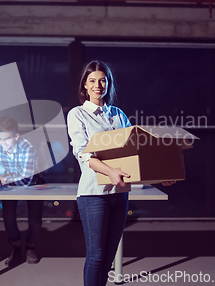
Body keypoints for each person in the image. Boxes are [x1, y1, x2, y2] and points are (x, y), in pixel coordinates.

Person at [67, 60, 175, 286]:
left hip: (119, 194)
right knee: (96, 256)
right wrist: (110, 171)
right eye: (93, 81)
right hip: (94, 195)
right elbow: (83, 155)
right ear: (85, 85)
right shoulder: (77, 115)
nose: (98, 85)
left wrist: (159, 174)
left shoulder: (117, 114)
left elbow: (134, 153)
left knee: (108, 258)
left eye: (103, 80)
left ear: (108, 84)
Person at [0, 117, 44, 266]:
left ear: (16, 137)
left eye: (7, 139)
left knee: (35, 219)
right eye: (0, 138)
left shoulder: (28, 148)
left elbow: (26, 181)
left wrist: (3, 178)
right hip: (9, 186)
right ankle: (16, 247)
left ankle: (30, 247)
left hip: (33, 185)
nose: (2, 143)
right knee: (8, 215)